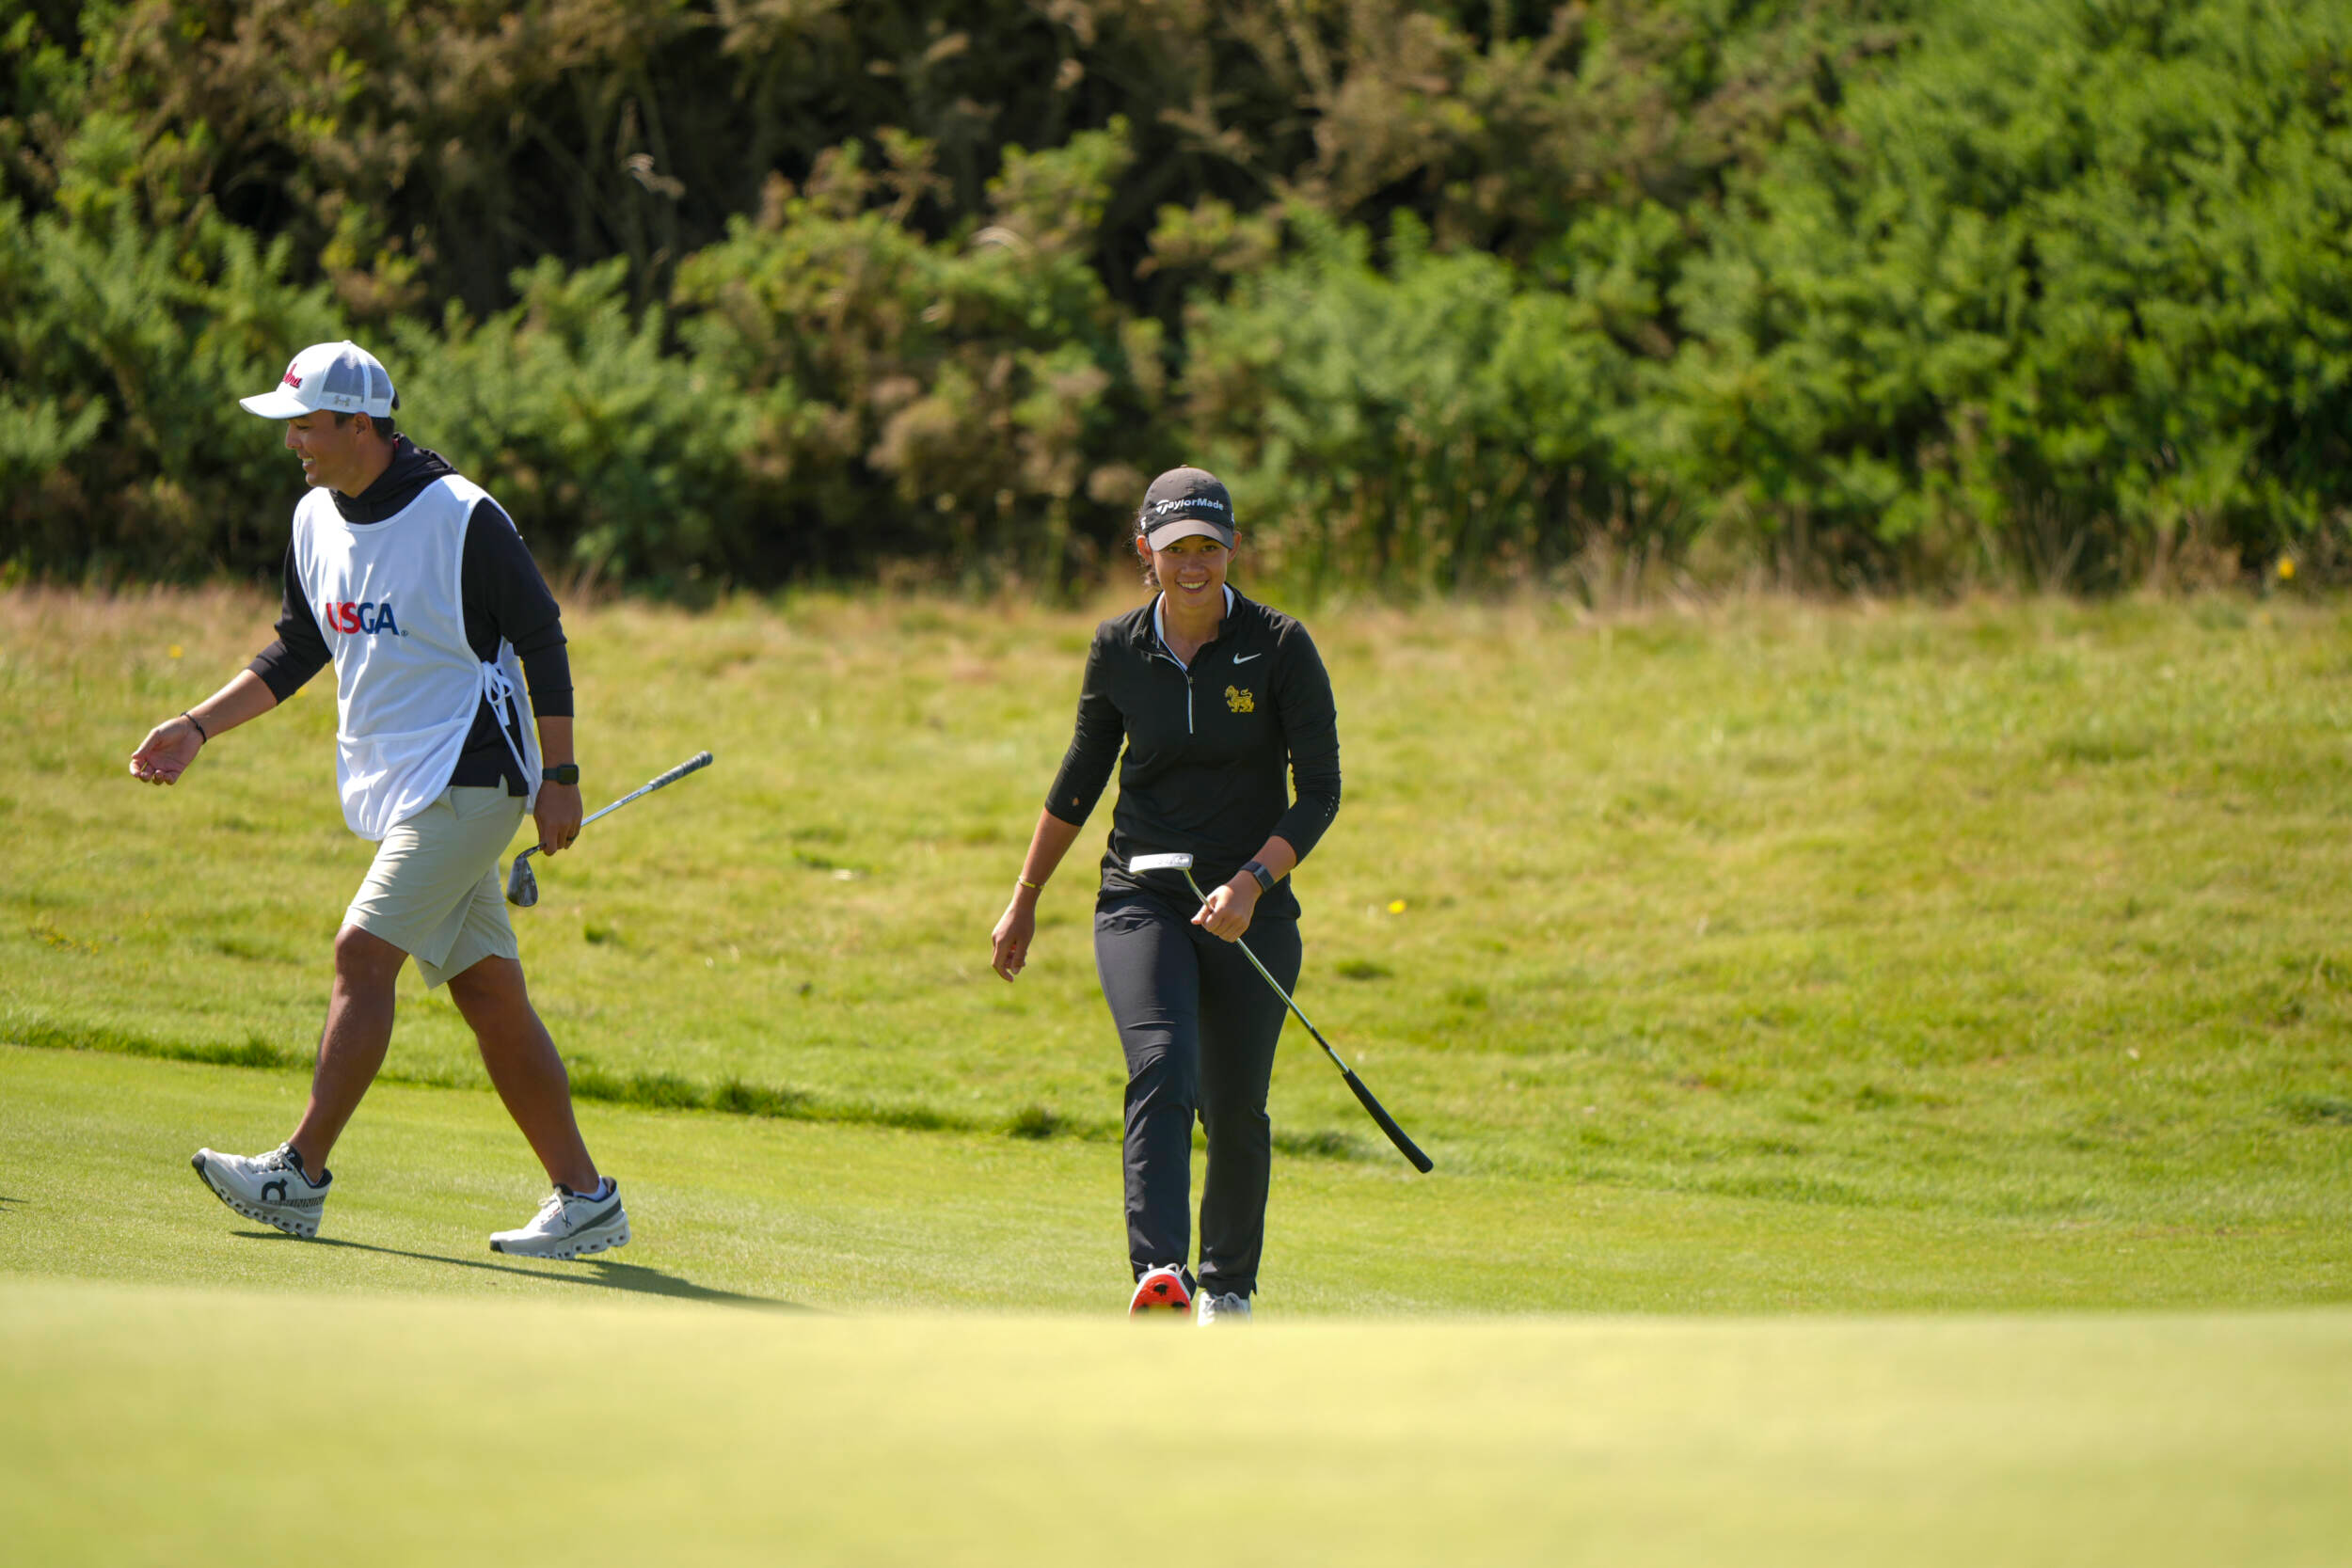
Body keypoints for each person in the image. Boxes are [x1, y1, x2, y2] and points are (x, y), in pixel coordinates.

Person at [129, 340, 628, 1260]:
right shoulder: (314, 516)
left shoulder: (463, 515)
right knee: (487, 991)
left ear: (361, 425)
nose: (293, 444)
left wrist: (560, 778)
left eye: (307, 425)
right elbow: (296, 648)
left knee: (362, 952)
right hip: (406, 781)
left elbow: (542, 636)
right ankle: (586, 1194)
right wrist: (196, 726)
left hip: (475, 772)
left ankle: (299, 1174)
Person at [990, 467, 1342, 1324]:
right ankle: (1160, 1273)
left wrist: (1254, 882)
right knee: (1162, 1065)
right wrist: (1025, 893)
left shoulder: (1279, 644)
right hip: (1140, 894)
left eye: (1209, 549)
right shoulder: (1118, 648)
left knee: (1234, 1101)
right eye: (1176, 548)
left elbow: (1320, 791)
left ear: (1231, 550)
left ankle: (1228, 1286)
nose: (1193, 565)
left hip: (1249, 903)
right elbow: (1080, 777)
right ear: (1145, 550)